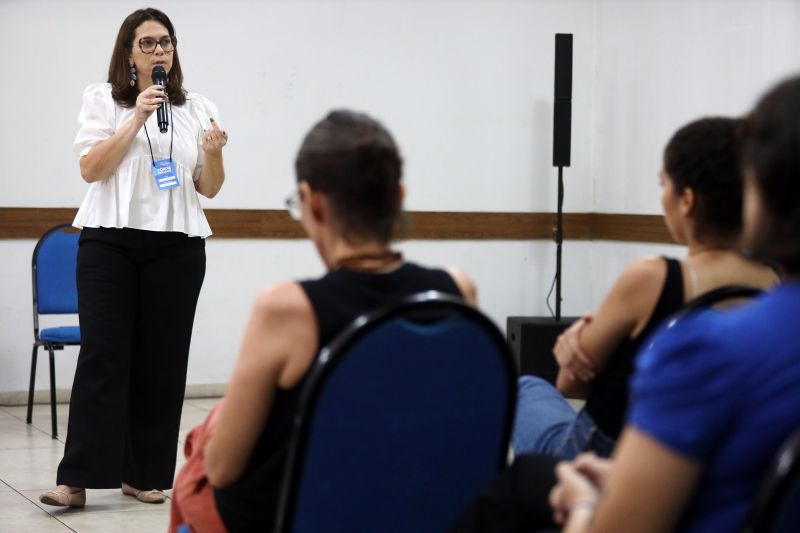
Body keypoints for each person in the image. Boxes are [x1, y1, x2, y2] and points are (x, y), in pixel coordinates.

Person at [167, 109, 477, 532]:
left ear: (313, 202)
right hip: (421, 513)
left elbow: (222, 470)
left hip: (300, 519)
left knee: (202, 454)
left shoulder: (287, 309)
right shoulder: (456, 292)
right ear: (399, 196)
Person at [548, 75, 800, 532]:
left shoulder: (704, 349)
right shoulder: (763, 302)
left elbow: (570, 380)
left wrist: (586, 505)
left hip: (603, 450)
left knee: (531, 399)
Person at [39, 8, 227, 507]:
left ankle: (142, 474)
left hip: (177, 245)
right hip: (109, 243)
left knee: (162, 362)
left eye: (166, 42)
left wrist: (215, 153)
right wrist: (137, 117)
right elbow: (91, 168)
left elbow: (208, 187)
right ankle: (75, 478)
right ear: (128, 52)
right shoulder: (103, 99)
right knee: (104, 356)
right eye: (147, 43)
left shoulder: (197, 105)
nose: (159, 50)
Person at [512, 116, 778, 459]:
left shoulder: (652, 278)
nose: (662, 198)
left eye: (663, 184)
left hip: (609, 462)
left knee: (528, 388)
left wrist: (573, 341)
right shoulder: (776, 283)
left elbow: (570, 383)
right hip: (717, 456)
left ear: (687, 200)